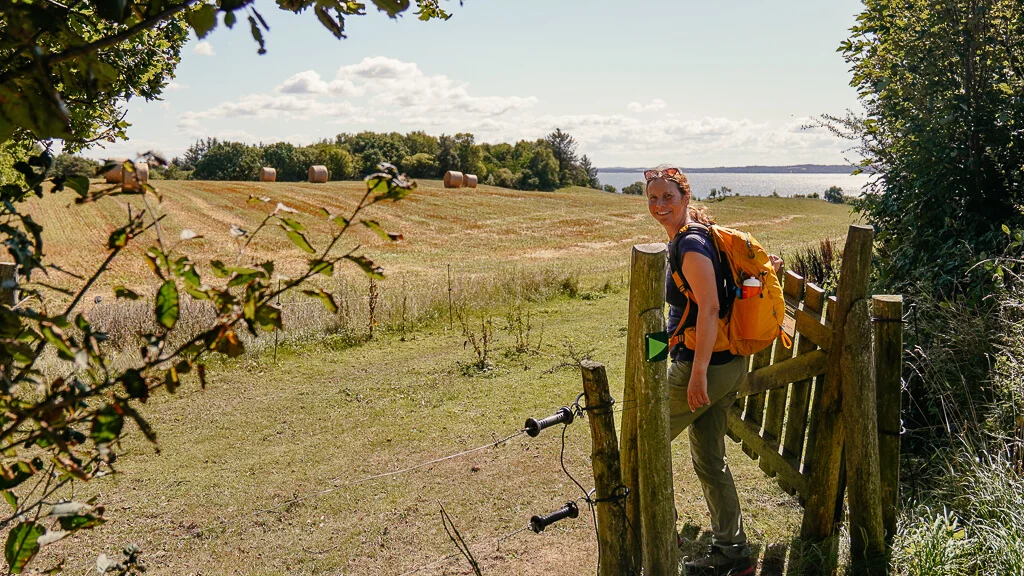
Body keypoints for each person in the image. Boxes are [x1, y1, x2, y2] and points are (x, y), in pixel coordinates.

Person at [644, 167, 781, 576]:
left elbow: (708, 309)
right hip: (727, 365)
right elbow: (679, 317)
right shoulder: (701, 234)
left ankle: (657, 532)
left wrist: (698, 373)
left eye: (668, 197)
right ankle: (733, 552)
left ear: (685, 198)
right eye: (652, 198)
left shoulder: (689, 245)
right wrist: (650, 360)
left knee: (638, 443)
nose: (660, 205)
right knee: (709, 460)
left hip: (703, 367)